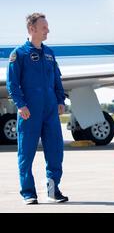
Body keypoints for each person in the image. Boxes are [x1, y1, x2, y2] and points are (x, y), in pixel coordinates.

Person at [6, 13, 68, 205]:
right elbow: (12, 84)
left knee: (55, 151)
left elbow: (57, 79)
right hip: (29, 112)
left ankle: (52, 190)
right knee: (26, 153)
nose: (48, 30)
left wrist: (60, 100)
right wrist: (21, 105)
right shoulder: (19, 54)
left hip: (50, 111)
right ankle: (28, 193)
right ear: (32, 29)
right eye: (44, 27)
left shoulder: (49, 54)